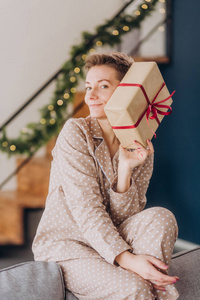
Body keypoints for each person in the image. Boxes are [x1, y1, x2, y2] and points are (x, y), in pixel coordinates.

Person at [32, 52, 179, 299]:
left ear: (127, 92)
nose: (90, 95)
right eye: (89, 86)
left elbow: (125, 217)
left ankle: (151, 287)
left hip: (110, 236)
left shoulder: (140, 145)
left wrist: (124, 170)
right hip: (69, 245)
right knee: (134, 286)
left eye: (103, 86)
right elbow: (87, 210)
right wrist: (129, 261)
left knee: (161, 217)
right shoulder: (76, 132)